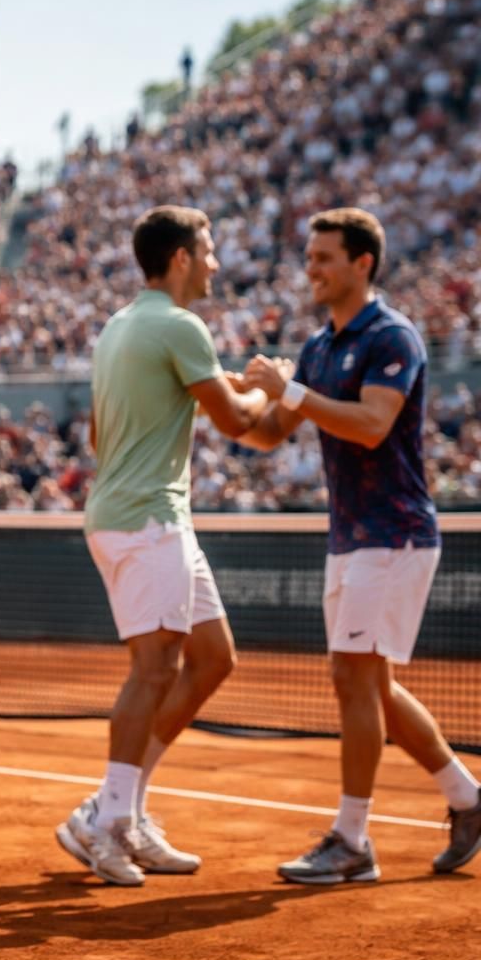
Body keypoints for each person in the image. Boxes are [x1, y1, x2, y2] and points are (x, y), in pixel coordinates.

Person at [240, 207, 481, 884]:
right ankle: (468, 798)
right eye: (309, 257)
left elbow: (373, 424)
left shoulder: (392, 335)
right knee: (372, 687)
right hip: (350, 538)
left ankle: (351, 842)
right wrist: (216, 395)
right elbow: (269, 432)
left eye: (324, 258)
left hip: (395, 534)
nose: (311, 269)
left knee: (352, 678)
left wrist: (289, 390)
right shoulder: (319, 347)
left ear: (362, 263)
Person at [55, 206, 269, 887]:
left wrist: (224, 386)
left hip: (140, 516)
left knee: (212, 659)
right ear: (181, 258)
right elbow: (237, 423)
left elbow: (100, 435)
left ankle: (124, 807)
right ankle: (107, 822)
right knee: (154, 671)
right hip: (147, 521)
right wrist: (273, 392)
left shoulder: (120, 326)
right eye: (208, 251)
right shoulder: (180, 326)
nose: (215, 264)